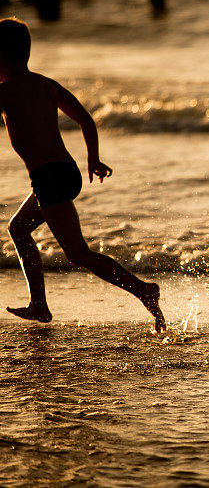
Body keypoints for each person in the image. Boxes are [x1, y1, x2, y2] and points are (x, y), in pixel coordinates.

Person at [0, 18, 167, 332]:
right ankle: (39, 304)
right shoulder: (47, 85)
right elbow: (86, 121)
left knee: (77, 253)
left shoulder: (5, 93)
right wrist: (94, 159)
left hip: (48, 178)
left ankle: (143, 289)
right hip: (66, 172)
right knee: (19, 228)